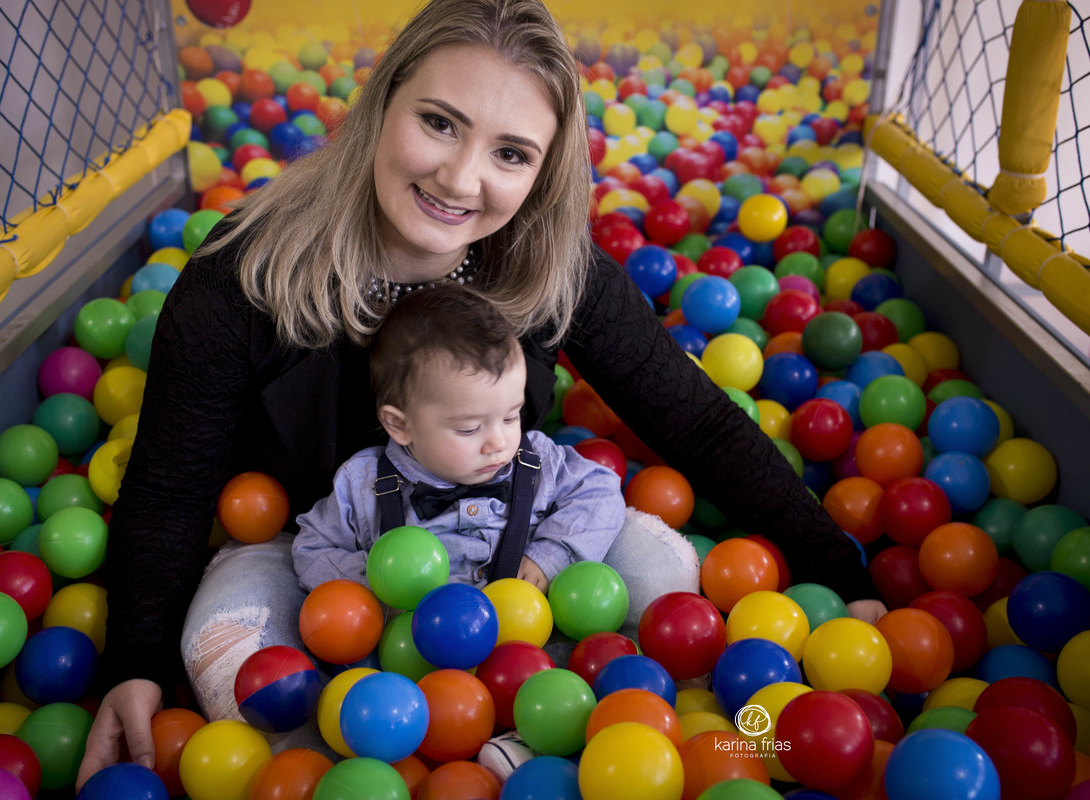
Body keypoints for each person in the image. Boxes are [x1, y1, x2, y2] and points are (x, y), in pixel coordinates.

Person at [77, 0, 886, 787]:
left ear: (542, 172)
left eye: (511, 153)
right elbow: (171, 488)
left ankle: (531, 743)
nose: (461, 178)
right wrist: (134, 664)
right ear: (381, 101)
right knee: (230, 667)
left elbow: (696, 423)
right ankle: (373, 768)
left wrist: (839, 571)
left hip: (518, 540)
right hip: (312, 550)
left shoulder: (547, 264)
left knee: (669, 587)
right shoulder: (241, 276)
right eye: (438, 122)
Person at [293, 282, 632, 596]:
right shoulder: (363, 484)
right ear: (400, 425)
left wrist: (551, 555)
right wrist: (380, 581)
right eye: (469, 429)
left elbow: (601, 490)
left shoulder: (539, 461)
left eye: (511, 416)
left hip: (528, 635)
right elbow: (312, 548)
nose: (498, 442)